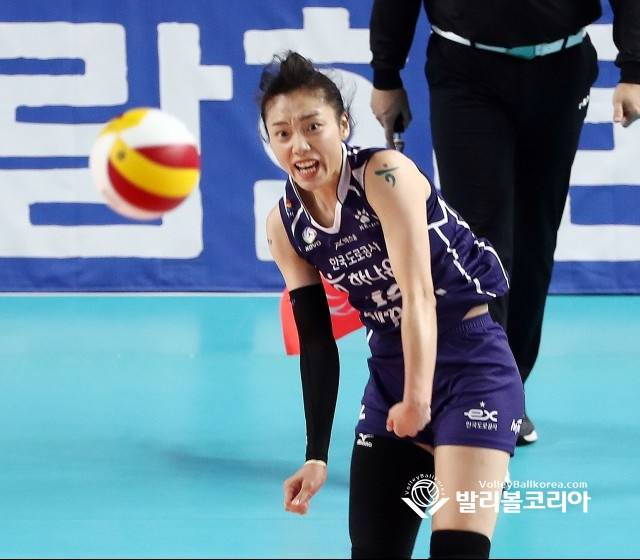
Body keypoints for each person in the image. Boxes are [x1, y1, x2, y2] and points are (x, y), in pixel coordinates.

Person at [260, 51, 524, 559]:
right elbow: (316, 341)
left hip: (472, 366)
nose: (300, 145)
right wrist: (316, 456)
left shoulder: (385, 175)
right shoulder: (285, 225)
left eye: (313, 126)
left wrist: (419, 399)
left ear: (342, 125)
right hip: (390, 373)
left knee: (458, 551)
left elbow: (418, 293)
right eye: (283, 133)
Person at [369, 0, 640, 446]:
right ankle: (480, 395)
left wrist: (633, 68)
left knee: (535, 239)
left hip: (561, 69)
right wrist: (386, 73)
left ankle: (508, 390)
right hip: (465, 71)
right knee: (477, 243)